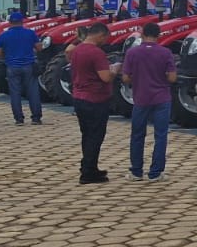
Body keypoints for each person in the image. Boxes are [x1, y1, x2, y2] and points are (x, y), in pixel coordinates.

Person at [122, 22, 176, 181]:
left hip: (141, 98)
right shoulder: (166, 53)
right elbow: (172, 77)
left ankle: (136, 171)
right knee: (160, 135)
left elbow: (125, 78)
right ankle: (156, 172)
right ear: (159, 35)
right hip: (162, 98)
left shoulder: (132, 53)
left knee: (137, 135)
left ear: (142, 34)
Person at [68, 22, 116, 184]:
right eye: (105, 38)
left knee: (87, 134)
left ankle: (89, 166)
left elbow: (68, 53)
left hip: (79, 97)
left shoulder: (77, 50)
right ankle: (88, 172)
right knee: (95, 136)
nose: (105, 41)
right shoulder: (96, 53)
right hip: (95, 99)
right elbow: (105, 77)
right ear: (100, 35)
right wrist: (114, 70)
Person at [0, 11, 43, 126]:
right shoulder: (30, 33)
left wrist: (6, 56)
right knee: (33, 92)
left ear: (10, 22)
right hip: (28, 65)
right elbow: (39, 48)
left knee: (15, 93)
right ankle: (36, 118)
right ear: (22, 21)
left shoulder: (3, 35)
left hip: (12, 66)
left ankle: (19, 119)